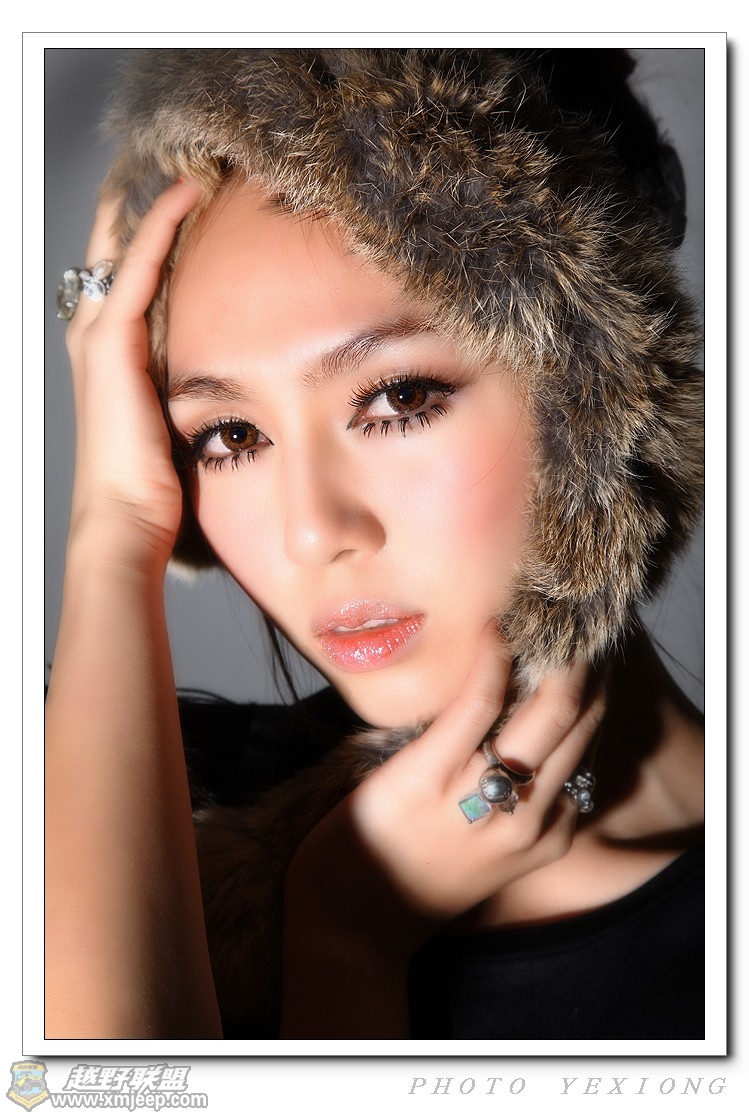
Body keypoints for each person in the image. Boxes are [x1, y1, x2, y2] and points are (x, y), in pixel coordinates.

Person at [45, 47, 705, 1042]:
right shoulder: (125, 795)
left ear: (594, 397)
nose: (313, 530)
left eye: (397, 398)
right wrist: (114, 525)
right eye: (229, 437)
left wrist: (345, 941)